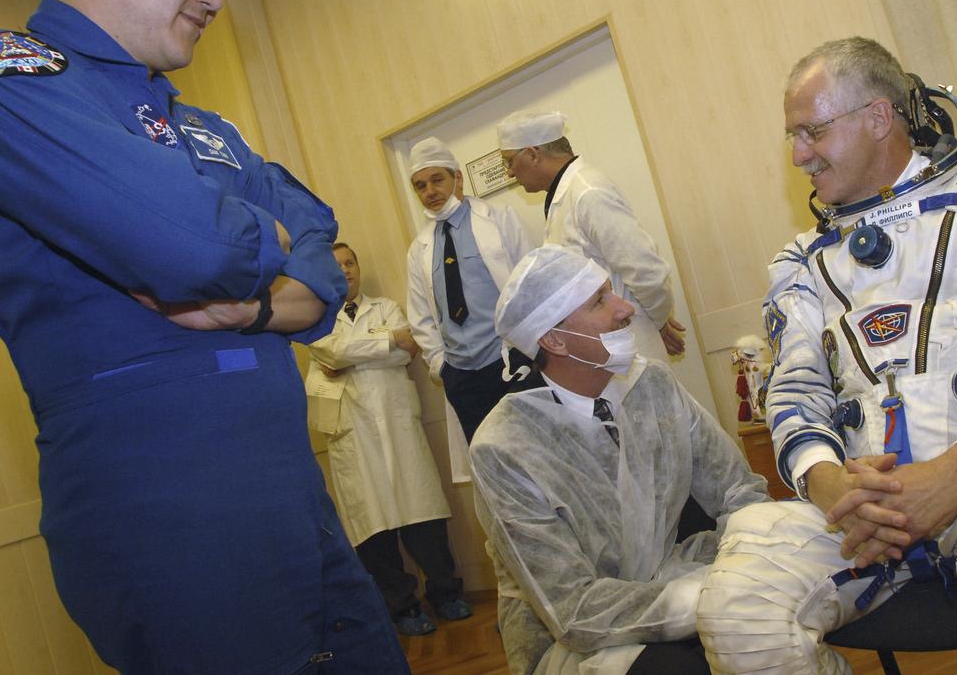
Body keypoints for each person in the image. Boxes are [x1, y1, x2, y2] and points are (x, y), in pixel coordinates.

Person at [0, 0, 406, 673]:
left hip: (295, 502)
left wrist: (262, 303)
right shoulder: (7, 80)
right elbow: (193, 248)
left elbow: (325, 253)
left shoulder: (207, 127)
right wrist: (265, 241)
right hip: (169, 515)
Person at [695, 37, 957, 673]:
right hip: (864, 512)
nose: (797, 155)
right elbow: (792, 393)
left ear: (877, 117)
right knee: (739, 606)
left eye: (811, 131)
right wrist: (828, 480)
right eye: (792, 136)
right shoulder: (802, 264)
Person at [471, 245, 770, 675]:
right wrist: (711, 598)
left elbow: (737, 491)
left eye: (612, 292)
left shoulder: (651, 386)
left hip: (675, 583)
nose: (624, 308)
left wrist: (761, 561)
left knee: (777, 624)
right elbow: (573, 612)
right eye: (599, 300)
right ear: (553, 339)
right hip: (581, 642)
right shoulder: (505, 448)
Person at [306, 243, 473, 636]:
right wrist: (387, 342)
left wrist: (359, 353)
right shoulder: (315, 319)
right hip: (354, 433)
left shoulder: (387, 308)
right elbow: (330, 351)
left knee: (422, 514)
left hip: (397, 425)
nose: (345, 270)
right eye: (337, 266)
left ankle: (446, 594)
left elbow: (405, 351)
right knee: (373, 527)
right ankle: (403, 606)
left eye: (351, 262)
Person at [497, 109, 687, 362]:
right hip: (602, 353)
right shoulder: (563, 198)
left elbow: (647, 271)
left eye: (509, 161)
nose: (509, 172)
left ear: (532, 154)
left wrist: (660, 322)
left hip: (628, 347)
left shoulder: (588, 192)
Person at [405, 136, 536, 442]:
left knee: (535, 451)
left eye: (437, 180)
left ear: (458, 177)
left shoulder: (500, 219)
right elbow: (420, 316)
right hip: (461, 377)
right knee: (491, 465)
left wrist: (525, 350)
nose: (430, 192)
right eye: (420, 186)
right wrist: (442, 367)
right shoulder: (420, 248)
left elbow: (530, 284)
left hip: (507, 362)